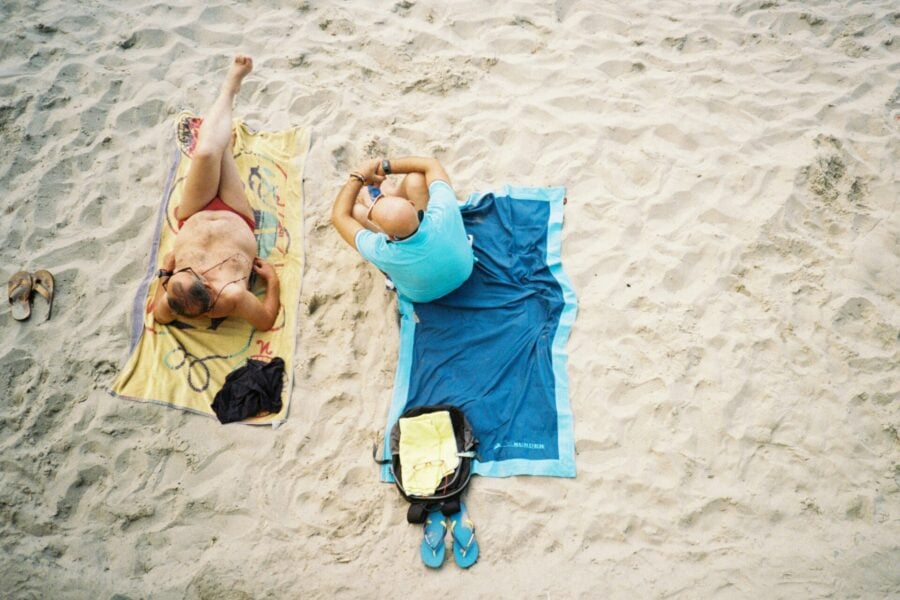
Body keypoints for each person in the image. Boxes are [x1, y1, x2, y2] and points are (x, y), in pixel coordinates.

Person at [151, 55, 281, 331]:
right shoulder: (232, 296)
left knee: (206, 152)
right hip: (236, 216)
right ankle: (226, 139)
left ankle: (229, 89)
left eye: (179, 274)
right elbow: (266, 321)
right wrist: (272, 281)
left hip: (194, 213)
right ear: (208, 285)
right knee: (216, 151)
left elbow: (157, 313)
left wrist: (165, 272)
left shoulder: (171, 299)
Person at [331, 156, 475, 303]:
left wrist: (359, 176)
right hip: (464, 271)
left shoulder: (382, 251)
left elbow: (339, 216)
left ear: (388, 236)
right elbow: (430, 164)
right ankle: (387, 199)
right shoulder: (444, 212)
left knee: (356, 212)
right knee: (416, 178)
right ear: (411, 204)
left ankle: (374, 202)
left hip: (423, 296)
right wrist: (385, 167)